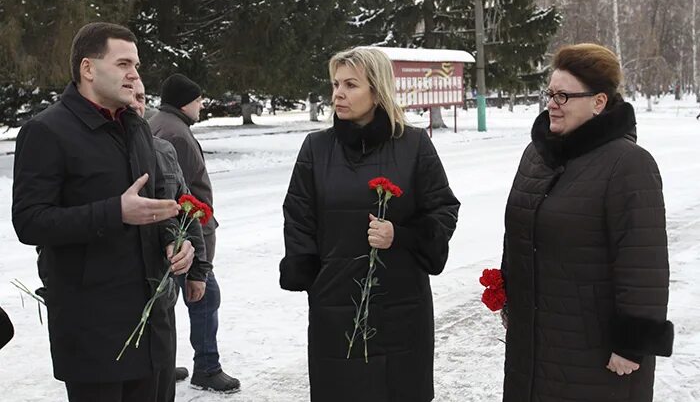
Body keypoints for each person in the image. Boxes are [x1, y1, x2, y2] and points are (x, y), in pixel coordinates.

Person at [11, 22, 196, 401]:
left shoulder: (137, 128)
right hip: (93, 334)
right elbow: (29, 222)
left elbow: (159, 206)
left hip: (153, 328)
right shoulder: (47, 131)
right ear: (88, 69)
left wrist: (179, 244)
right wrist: (115, 212)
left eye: (137, 65)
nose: (135, 75)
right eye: (124, 63)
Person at [280, 47, 460, 402]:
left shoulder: (414, 145)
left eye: (350, 84)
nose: (338, 94)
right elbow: (298, 215)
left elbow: (443, 209)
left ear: (377, 90)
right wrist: (309, 271)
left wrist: (402, 236)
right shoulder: (316, 148)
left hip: (402, 303)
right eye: (335, 84)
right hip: (335, 304)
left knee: (400, 389)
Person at [500, 43, 674, 402]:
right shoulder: (536, 156)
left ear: (599, 102)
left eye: (563, 96)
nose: (551, 103)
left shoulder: (628, 164)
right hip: (533, 340)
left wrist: (632, 342)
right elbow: (517, 233)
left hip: (594, 349)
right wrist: (509, 296)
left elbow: (644, 264)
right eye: (549, 93)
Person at [149, 74, 240, 393]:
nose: (202, 105)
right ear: (185, 102)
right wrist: (198, 255)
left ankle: (162, 362)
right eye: (199, 99)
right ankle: (207, 367)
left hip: (175, 236)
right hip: (184, 238)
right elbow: (185, 197)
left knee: (166, 303)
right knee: (204, 297)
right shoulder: (175, 134)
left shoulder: (162, 124)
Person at [130, 79, 212, 401]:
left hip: (161, 297)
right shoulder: (96, 156)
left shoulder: (164, 150)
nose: (137, 104)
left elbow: (186, 208)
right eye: (129, 97)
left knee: (162, 388)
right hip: (115, 304)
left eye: (141, 98)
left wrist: (197, 270)